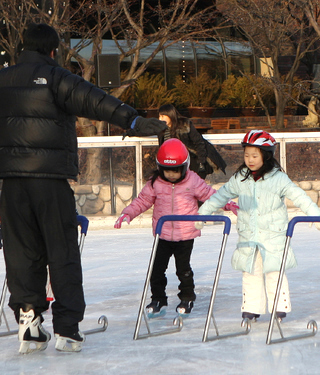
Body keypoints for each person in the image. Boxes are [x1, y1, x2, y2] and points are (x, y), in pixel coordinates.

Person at [0, 23, 167, 354]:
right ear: (53, 50)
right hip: (50, 183)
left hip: (12, 184)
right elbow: (96, 101)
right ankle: (67, 329)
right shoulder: (56, 77)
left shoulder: (3, 79)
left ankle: (29, 322)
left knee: (20, 253)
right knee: (61, 252)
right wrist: (135, 122)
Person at [197, 130, 320, 321]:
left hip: (273, 236)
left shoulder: (278, 178)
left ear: (266, 155)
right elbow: (221, 195)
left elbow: (299, 196)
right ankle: (251, 308)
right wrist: (202, 213)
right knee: (251, 272)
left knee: (274, 272)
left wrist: (316, 216)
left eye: (255, 155)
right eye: (247, 155)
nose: (250, 160)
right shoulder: (241, 178)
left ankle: (279, 307)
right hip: (249, 235)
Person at [114, 139, 238, 317]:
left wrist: (229, 204)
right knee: (156, 270)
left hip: (185, 235)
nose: (171, 175)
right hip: (162, 234)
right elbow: (142, 201)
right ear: (159, 167)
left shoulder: (193, 180)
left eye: (175, 170)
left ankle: (187, 297)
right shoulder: (155, 182)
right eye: (167, 170)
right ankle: (158, 299)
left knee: (183, 269)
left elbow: (211, 195)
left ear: (185, 166)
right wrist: (128, 213)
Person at [158, 104, 227, 179]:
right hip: (175, 163)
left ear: (170, 115)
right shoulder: (161, 130)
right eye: (159, 116)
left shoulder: (184, 125)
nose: (160, 119)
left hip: (194, 160)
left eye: (163, 116)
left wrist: (201, 162)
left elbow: (199, 142)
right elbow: (162, 149)